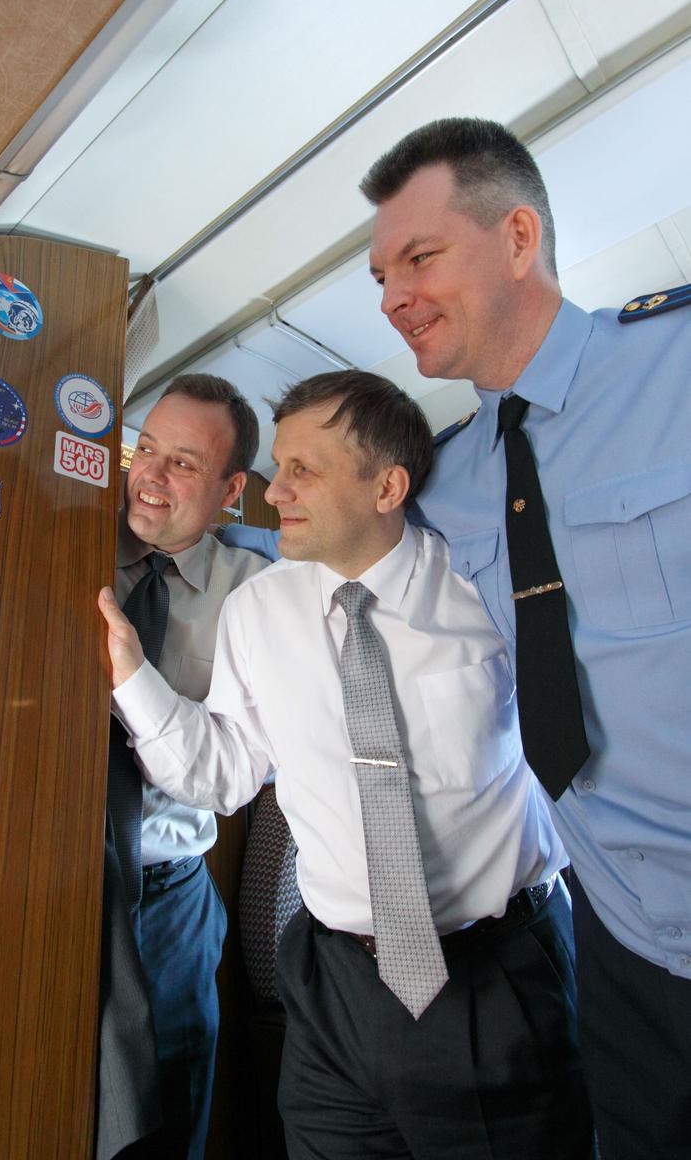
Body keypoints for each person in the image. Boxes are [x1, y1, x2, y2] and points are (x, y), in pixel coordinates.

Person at [98, 370, 592, 1160]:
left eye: (303, 470)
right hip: (333, 983)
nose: (274, 493)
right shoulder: (258, 610)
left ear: (386, 487)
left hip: (492, 969)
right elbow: (222, 774)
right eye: (278, 467)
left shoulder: (480, 584)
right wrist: (130, 673)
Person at [360, 116, 691, 1160]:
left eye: (419, 257)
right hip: (621, 940)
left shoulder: (677, 362)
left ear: (516, 238)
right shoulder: (444, 480)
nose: (392, 297)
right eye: (379, 276)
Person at [98, 373, 267, 1160]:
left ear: (231, 490)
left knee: (167, 1114)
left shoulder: (256, 598)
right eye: (146, 449)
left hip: (166, 889)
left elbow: (233, 772)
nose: (151, 476)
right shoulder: (63, 540)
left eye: (183, 464)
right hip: (52, 883)